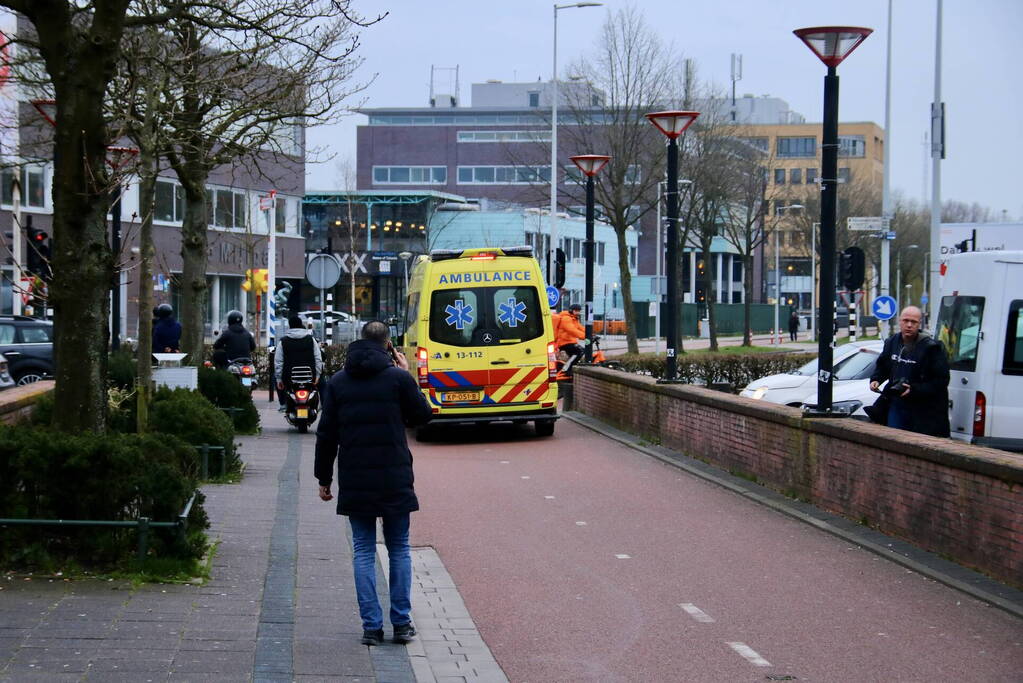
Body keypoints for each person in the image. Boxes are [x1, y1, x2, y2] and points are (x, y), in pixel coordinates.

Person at [314, 320, 432, 647]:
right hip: (394, 476)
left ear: (359, 341)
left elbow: (326, 436)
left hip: (355, 477)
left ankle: (371, 627)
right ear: (389, 345)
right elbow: (422, 415)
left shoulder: (338, 382)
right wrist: (408, 374)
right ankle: (402, 624)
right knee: (399, 549)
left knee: (363, 551)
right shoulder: (397, 379)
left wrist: (324, 478)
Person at [868, 305, 950, 437]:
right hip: (897, 403)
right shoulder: (892, 342)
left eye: (914, 322)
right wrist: (876, 379)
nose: (909, 325)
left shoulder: (932, 348)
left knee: (917, 443)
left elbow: (941, 380)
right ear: (899, 322)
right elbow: (883, 365)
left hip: (922, 408)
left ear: (919, 324)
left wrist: (914, 389)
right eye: (905, 321)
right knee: (893, 439)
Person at [275, 314, 323, 412]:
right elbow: (318, 358)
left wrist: (279, 379)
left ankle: (283, 404)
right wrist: (317, 375)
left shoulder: (283, 341)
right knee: (323, 384)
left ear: (289, 326)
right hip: (310, 376)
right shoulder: (311, 339)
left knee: (274, 379)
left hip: (288, 377)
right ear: (301, 324)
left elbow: (278, 362)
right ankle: (324, 405)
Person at [556, 303, 586, 370]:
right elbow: (572, 330)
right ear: (571, 310)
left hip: (570, 342)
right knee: (579, 351)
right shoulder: (566, 319)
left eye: (579, 311)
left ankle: (570, 367)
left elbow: (580, 328)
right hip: (564, 342)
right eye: (576, 311)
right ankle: (568, 369)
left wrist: (590, 333)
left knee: (578, 352)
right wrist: (585, 336)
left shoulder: (574, 319)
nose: (578, 312)